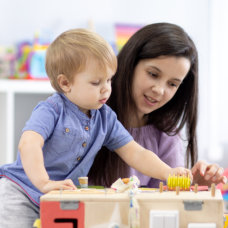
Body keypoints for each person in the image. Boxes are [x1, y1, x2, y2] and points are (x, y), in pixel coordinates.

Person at [0, 28, 191, 227]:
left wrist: (168, 172)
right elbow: (29, 144)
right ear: (65, 83)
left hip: (59, 197)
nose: (106, 88)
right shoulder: (51, 110)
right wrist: (43, 183)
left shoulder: (105, 117)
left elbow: (136, 153)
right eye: (96, 82)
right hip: (21, 192)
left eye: (109, 79)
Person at [88, 22, 227, 187]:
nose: (159, 90)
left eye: (172, 84)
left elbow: (165, 203)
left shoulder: (165, 134)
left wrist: (194, 186)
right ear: (130, 64)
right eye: (153, 74)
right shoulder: (87, 116)